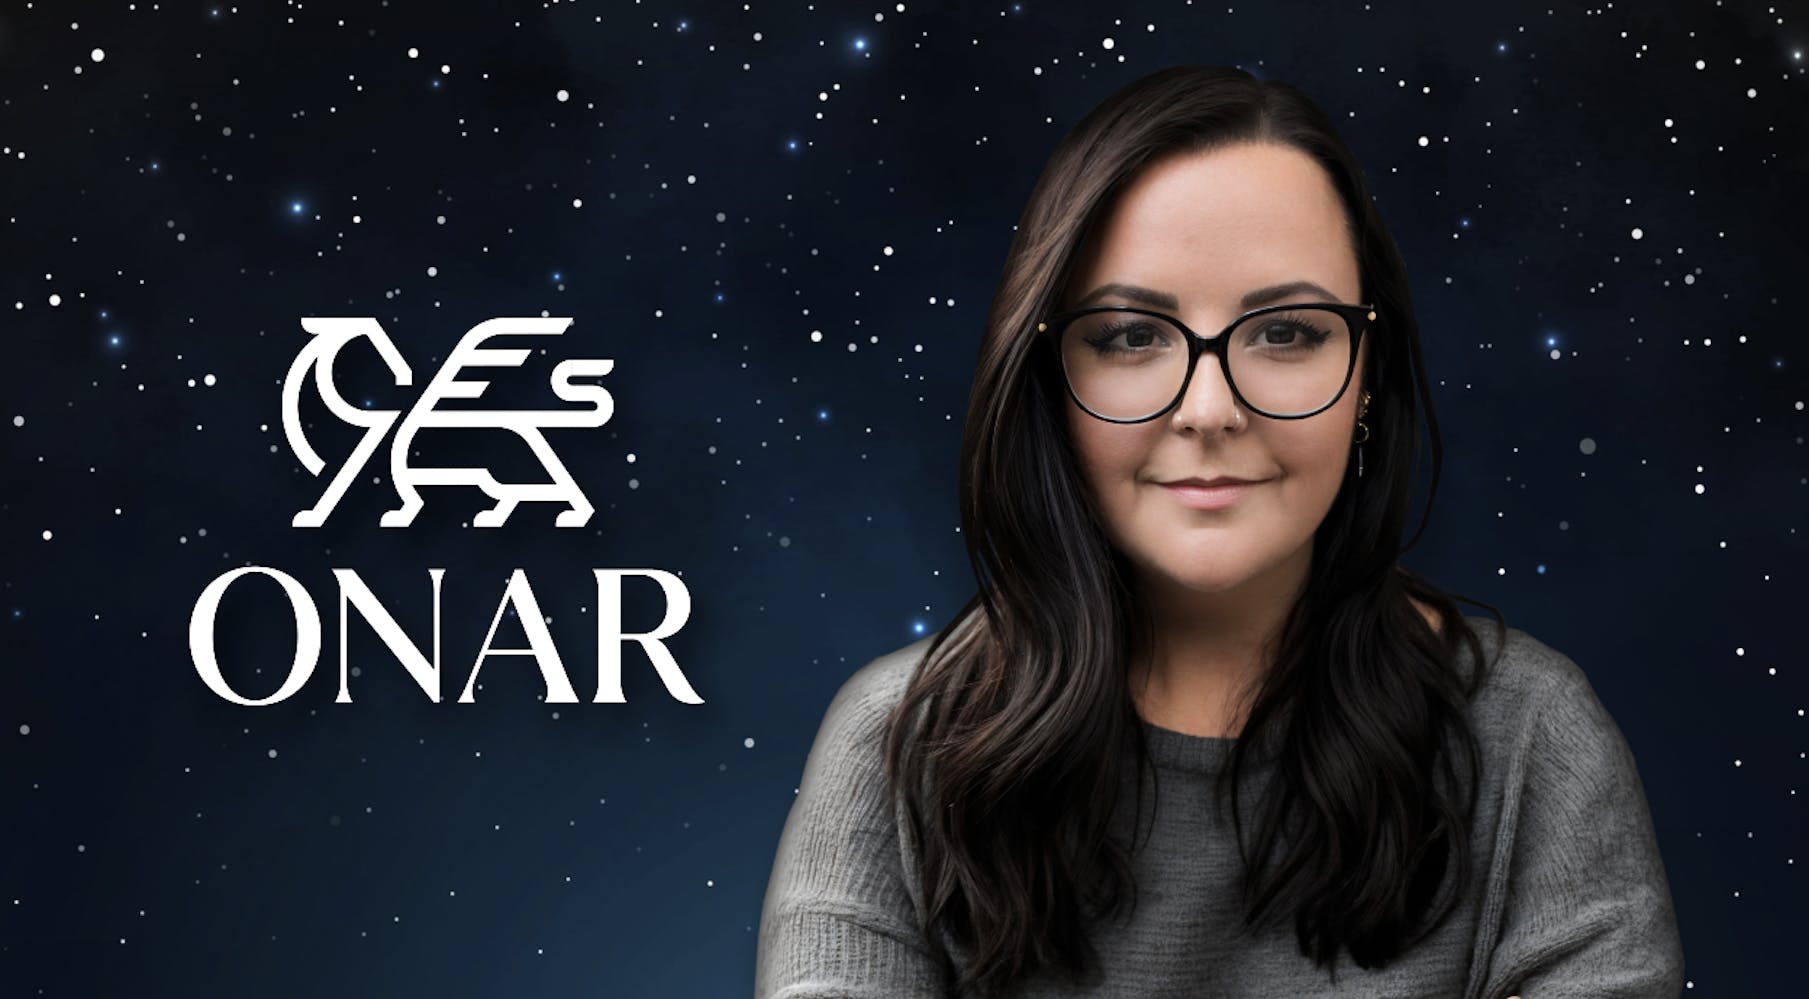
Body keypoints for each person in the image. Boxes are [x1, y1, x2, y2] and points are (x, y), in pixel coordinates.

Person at [754, 64, 1684, 999]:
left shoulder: (1530, 738)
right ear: (1047, 381)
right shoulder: (898, 743)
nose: (1208, 409)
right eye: (1128, 334)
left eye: (1284, 333)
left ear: (1369, 372)